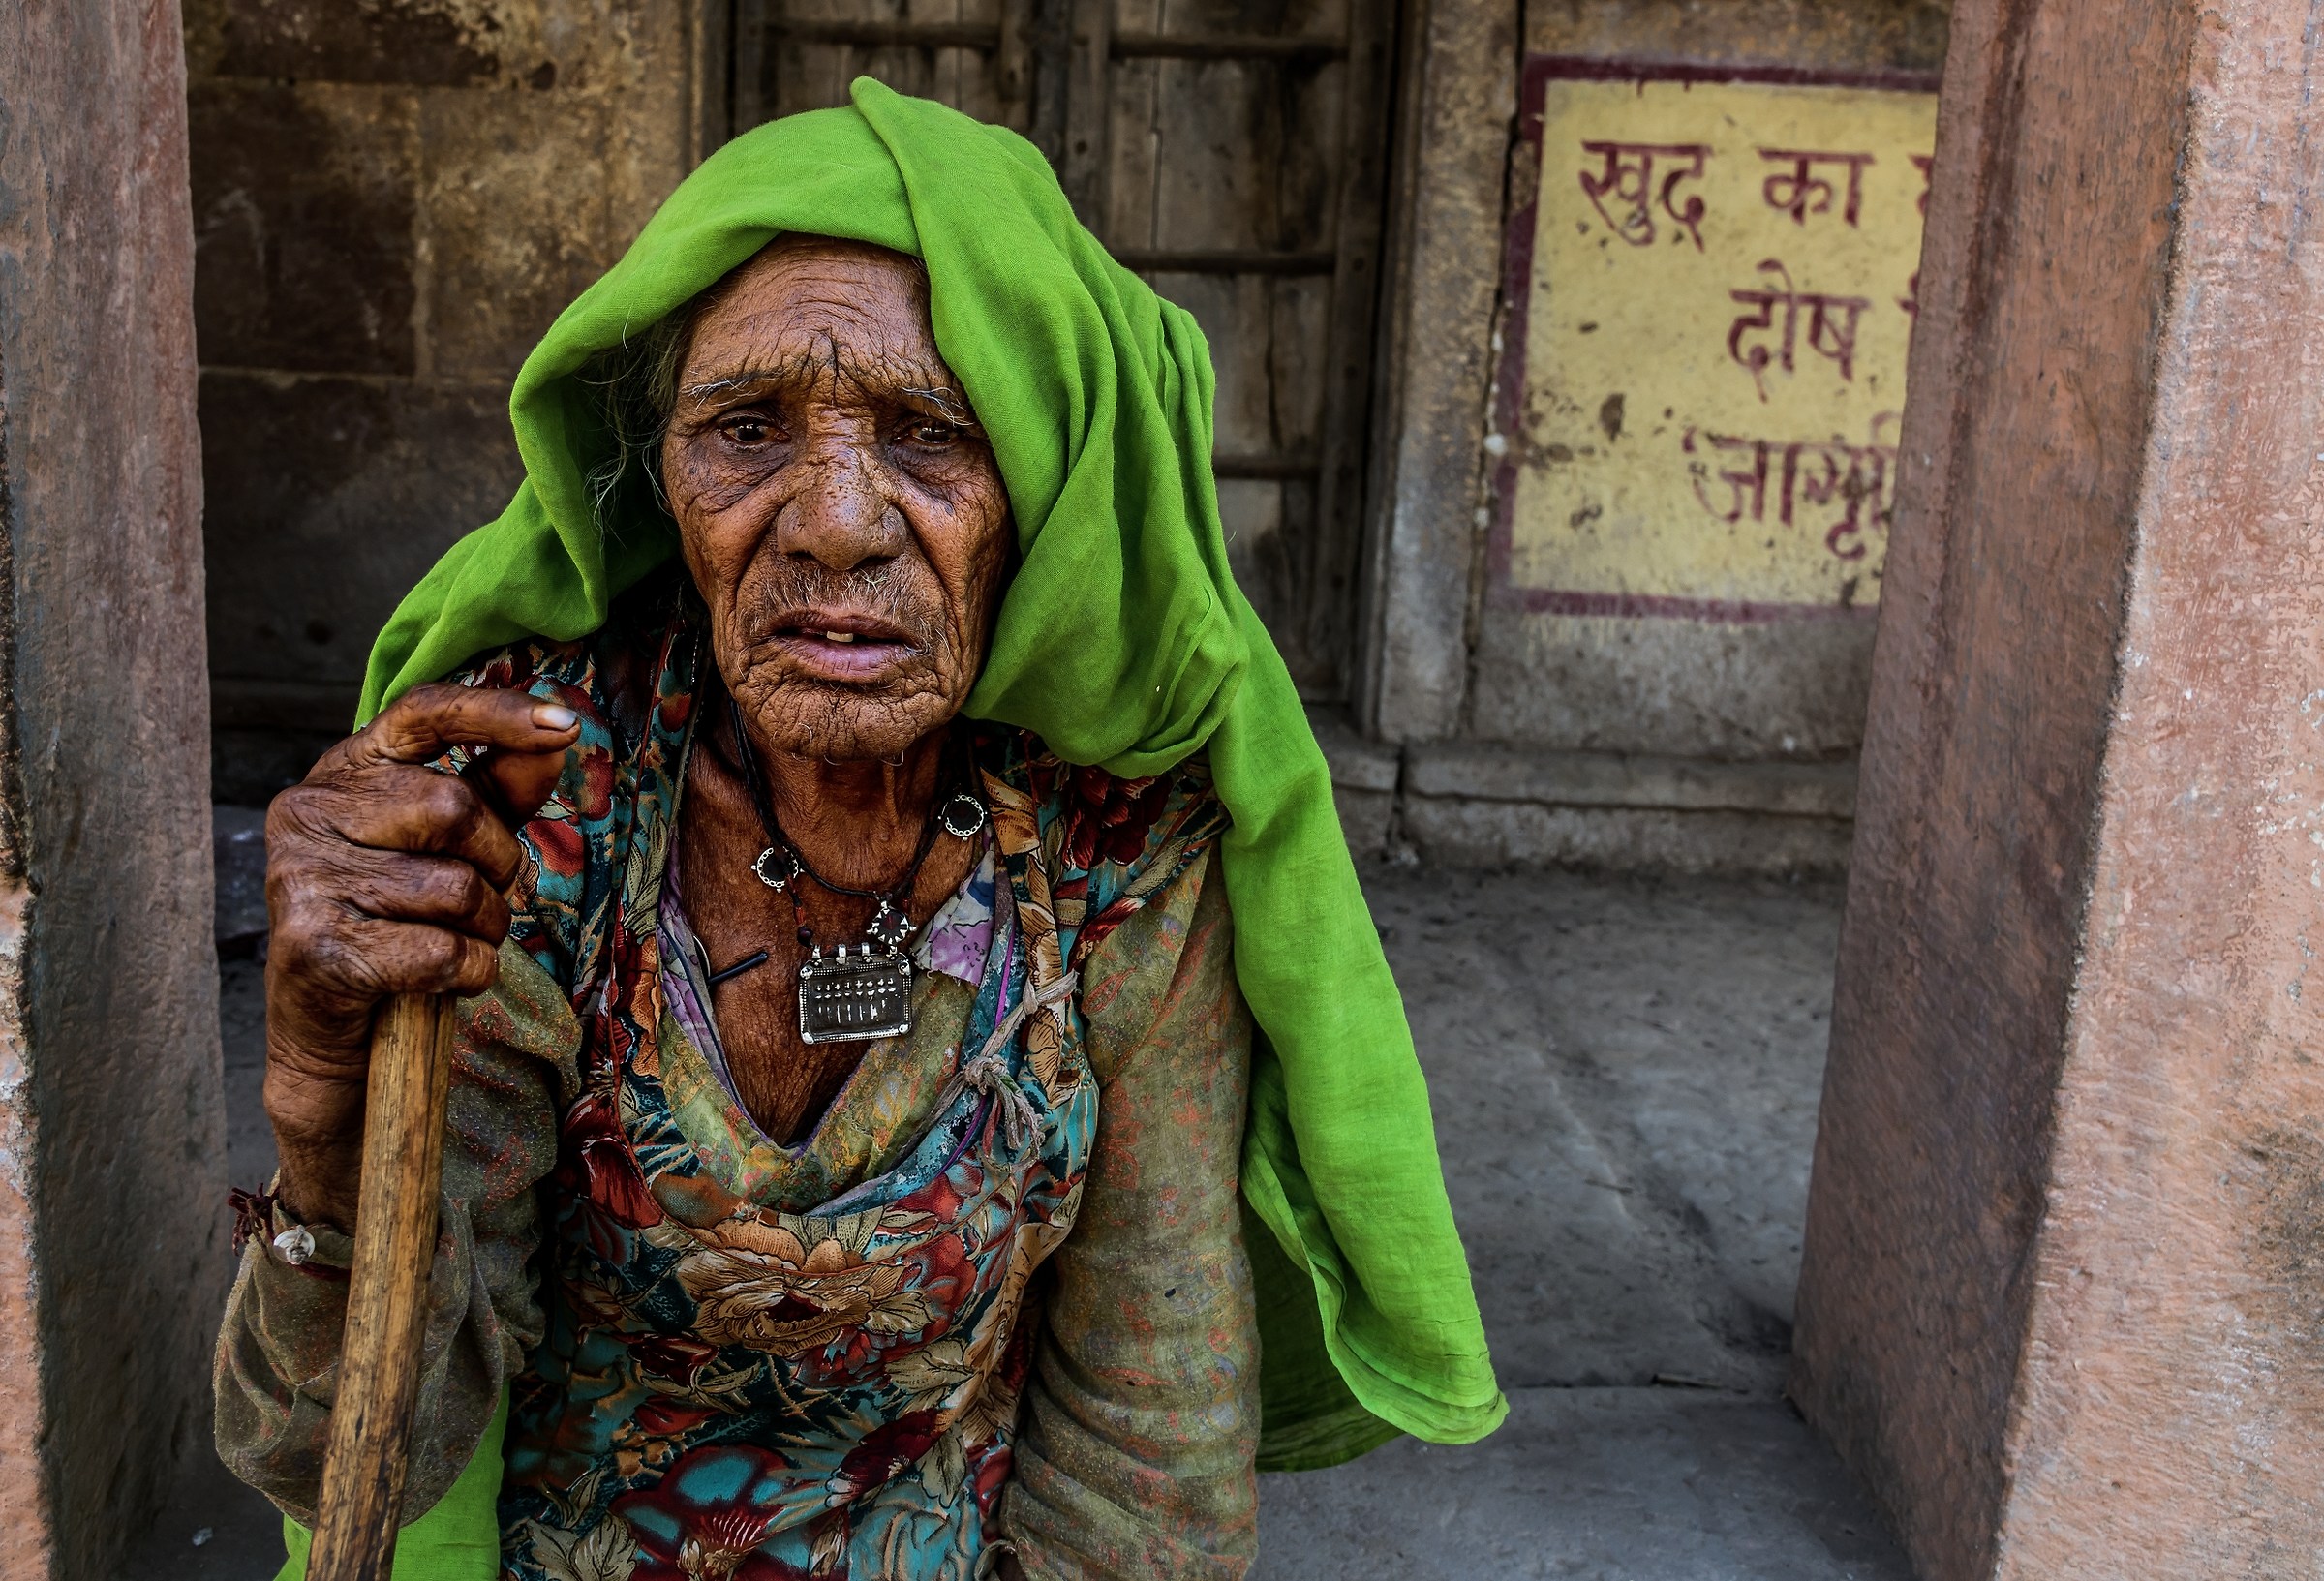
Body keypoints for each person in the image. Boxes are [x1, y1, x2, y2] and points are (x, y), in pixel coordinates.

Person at [217, 79, 1503, 1581]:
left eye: (931, 432)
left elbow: (1141, 1468)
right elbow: (363, 1445)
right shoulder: (537, 800)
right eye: (746, 428)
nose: (835, 519)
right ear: (667, 485)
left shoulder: (1115, 861)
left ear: (1046, 489)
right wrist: (320, 1133)